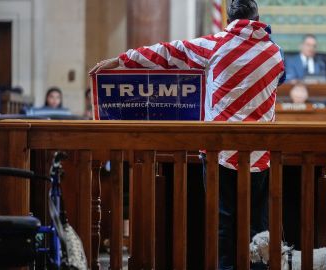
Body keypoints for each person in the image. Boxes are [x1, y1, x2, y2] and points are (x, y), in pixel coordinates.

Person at [89, 0, 285, 269]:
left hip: (220, 151)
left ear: (229, 19)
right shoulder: (275, 52)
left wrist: (122, 60)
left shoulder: (216, 44)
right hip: (260, 154)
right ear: (258, 18)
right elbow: (280, 79)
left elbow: (167, 53)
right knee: (260, 224)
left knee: (222, 222)